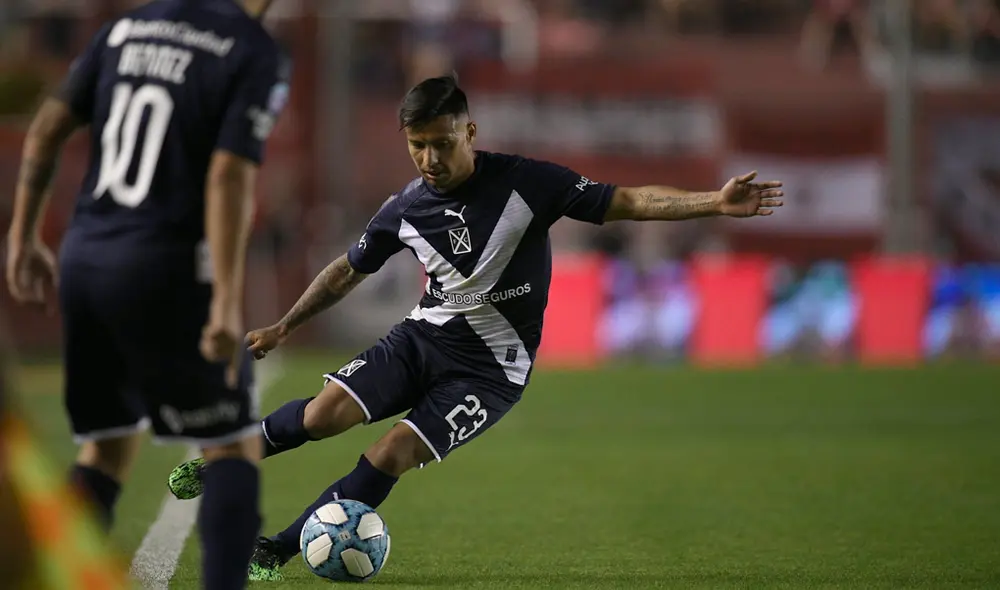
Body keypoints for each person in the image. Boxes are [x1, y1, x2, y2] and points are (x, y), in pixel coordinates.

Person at [167, 73, 784, 582]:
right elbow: (345, 272)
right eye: (418, 146)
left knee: (392, 451)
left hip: (492, 369)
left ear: (470, 131)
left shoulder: (530, 182)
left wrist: (713, 200)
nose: (430, 159)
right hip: (422, 338)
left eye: (441, 142)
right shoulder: (405, 208)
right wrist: (283, 325)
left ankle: (280, 548)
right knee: (323, 414)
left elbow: (626, 201)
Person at [5, 1, 290, 587]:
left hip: (85, 260)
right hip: (167, 265)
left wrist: (24, 236)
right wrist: (227, 303)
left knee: (105, 451)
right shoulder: (250, 48)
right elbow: (228, 175)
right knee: (231, 448)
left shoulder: (124, 29)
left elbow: (46, 130)